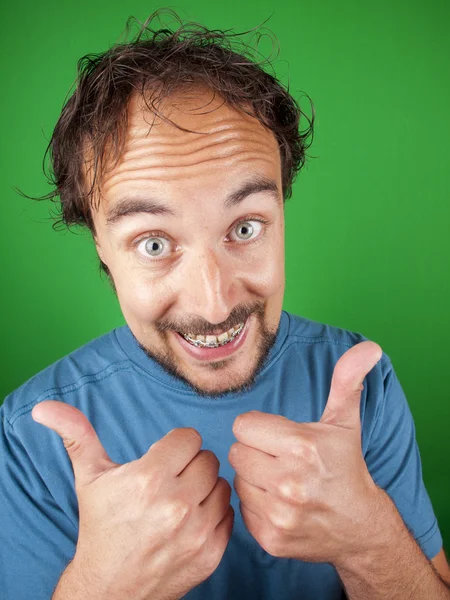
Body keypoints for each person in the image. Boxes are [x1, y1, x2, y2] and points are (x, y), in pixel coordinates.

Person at [1, 9, 449, 600]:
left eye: (245, 228)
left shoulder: (362, 382)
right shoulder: (28, 436)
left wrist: (369, 539)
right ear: (102, 250)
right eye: (154, 243)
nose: (215, 306)